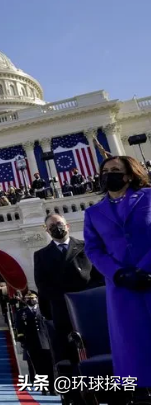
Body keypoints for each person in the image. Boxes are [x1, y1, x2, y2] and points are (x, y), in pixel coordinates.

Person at [83, 155, 151, 391]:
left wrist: (144, 269)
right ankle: (141, 392)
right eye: (104, 170)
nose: (108, 174)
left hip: (149, 276)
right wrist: (119, 274)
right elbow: (93, 249)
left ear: (129, 175)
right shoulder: (93, 213)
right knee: (133, 344)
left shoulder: (149, 197)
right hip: (122, 288)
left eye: (114, 170)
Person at [33, 213, 103, 361]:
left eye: (58, 223)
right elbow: (42, 284)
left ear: (67, 225)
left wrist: (84, 296)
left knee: (97, 350)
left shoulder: (86, 246)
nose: (56, 228)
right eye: (51, 226)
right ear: (47, 231)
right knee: (70, 355)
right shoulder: (41, 255)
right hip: (63, 310)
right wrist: (64, 298)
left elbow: (99, 277)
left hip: (89, 307)